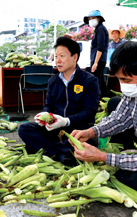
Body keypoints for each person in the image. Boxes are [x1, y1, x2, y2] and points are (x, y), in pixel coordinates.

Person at [70, 41, 137, 193]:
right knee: (115, 103)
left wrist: (102, 157)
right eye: (119, 79)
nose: (122, 86)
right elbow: (119, 118)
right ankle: (130, 152)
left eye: (126, 80)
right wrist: (91, 132)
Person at [19, 37, 100, 165]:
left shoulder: (90, 81)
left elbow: (90, 112)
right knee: (24, 129)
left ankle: (48, 150)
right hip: (55, 129)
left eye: (62, 56)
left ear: (75, 57)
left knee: (86, 145)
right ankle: (59, 153)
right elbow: (49, 105)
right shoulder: (53, 81)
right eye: (56, 56)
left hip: (78, 131)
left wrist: (66, 121)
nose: (58, 60)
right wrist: (44, 115)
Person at [84, 10, 109, 98]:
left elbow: (100, 47)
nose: (91, 20)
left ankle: (98, 102)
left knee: (97, 82)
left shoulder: (101, 29)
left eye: (93, 18)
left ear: (99, 18)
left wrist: (95, 62)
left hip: (98, 59)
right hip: (98, 59)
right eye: (90, 18)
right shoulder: (99, 29)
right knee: (100, 81)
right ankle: (107, 101)